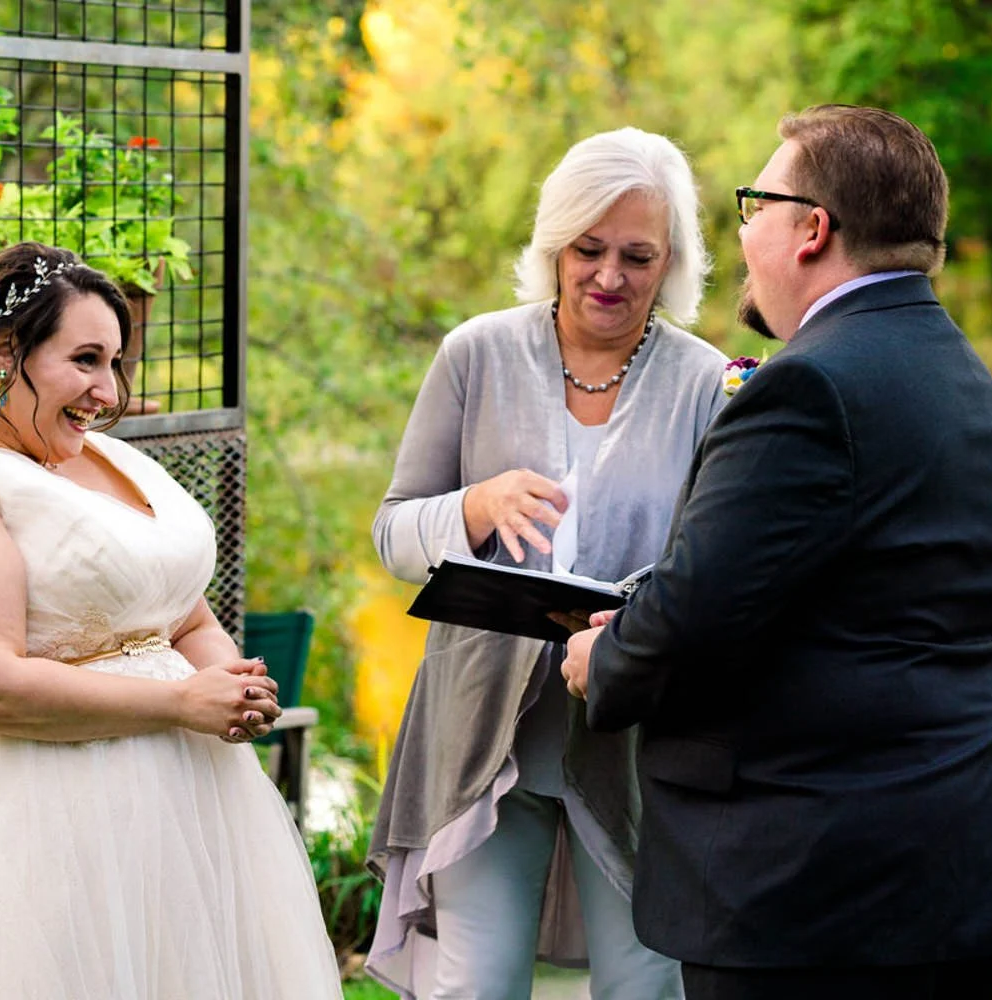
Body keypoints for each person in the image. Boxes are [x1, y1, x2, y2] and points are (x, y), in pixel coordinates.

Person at [560, 105, 992, 1000]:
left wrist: (605, 656)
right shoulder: (963, 375)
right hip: (959, 850)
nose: (743, 235)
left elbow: (697, 615)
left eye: (756, 206)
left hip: (814, 881)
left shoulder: (810, 388)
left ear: (812, 230)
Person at [0, 242, 343, 998]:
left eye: (116, 363)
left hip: (184, 815)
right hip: (24, 820)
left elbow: (179, 613)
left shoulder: (110, 458)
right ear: (3, 351)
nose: (106, 391)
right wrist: (180, 702)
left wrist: (226, 677)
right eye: (85, 360)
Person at [365, 127, 728, 1000]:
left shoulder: (708, 383)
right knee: (476, 986)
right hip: (481, 732)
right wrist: (474, 509)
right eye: (589, 250)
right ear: (554, 246)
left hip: (632, 736)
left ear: (671, 259)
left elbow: (716, 571)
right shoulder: (475, 355)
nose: (609, 277)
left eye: (637, 256)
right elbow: (392, 531)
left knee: (644, 986)